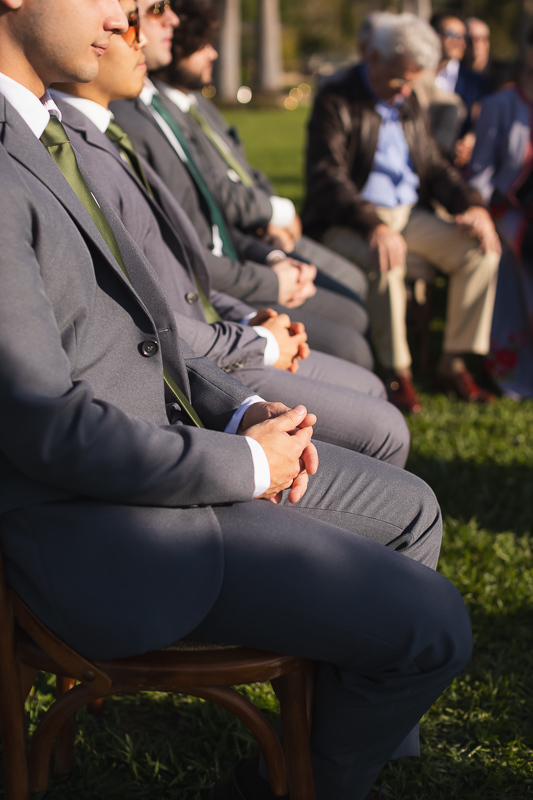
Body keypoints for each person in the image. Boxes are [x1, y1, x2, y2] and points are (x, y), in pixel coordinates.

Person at [0, 1, 472, 799]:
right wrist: (245, 462)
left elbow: (150, 330)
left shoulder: (45, 132)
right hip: (102, 530)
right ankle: (296, 779)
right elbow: (47, 428)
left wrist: (238, 409)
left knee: (411, 512)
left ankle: (317, 757)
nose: (123, 15)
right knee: (433, 627)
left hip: (170, 463)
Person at [49, 19, 409, 462]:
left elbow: (191, 248)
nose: (137, 33)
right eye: (136, 18)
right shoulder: (85, 141)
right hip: (189, 368)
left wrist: (251, 310)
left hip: (215, 323)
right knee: (383, 427)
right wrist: (255, 338)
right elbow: (141, 310)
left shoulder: (116, 127)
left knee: (368, 375)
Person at [111, 0, 375, 370]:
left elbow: (224, 193)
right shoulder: (131, 118)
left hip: (244, 253)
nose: (213, 52)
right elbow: (184, 247)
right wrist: (269, 278)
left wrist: (271, 254)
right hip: (213, 294)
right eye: (153, 11)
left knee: (354, 311)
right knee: (352, 343)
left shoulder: (168, 108)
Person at [302, 12, 501, 414]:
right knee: (387, 258)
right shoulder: (336, 99)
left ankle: (452, 363)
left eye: (412, 81)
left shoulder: (407, 100)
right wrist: (373, 224)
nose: (406, 90)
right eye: (399, 80)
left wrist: (472, 206)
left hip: (408, 215)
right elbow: (326, 177)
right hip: (349, 220)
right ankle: (398, 373)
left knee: (480, 251)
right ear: (373, 57)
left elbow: (435, 167)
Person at [154, 0, 369, 307]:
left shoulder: (200, 105)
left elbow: (246, 170)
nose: (213, 53)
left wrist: (275, 214)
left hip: (267, 228)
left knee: (354, 284)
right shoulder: (165, 115)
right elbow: (212, 188)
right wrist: (276, 215)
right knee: (350, 301)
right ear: (174, 49)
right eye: (200, 46)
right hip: (243, 241)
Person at [468, 31, 533, 398]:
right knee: (516, 245)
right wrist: (478, 208)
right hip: (508, 211)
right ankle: (514, 367)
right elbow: (480, 173)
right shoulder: (499, 105)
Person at [430, 11, 491, 168]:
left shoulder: (476, 83)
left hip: (455, 166)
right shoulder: (415, 75)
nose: (459, 41)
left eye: (463, 36)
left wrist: (470, 141)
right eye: (451, 34)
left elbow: (480, 122)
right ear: (432, 34)